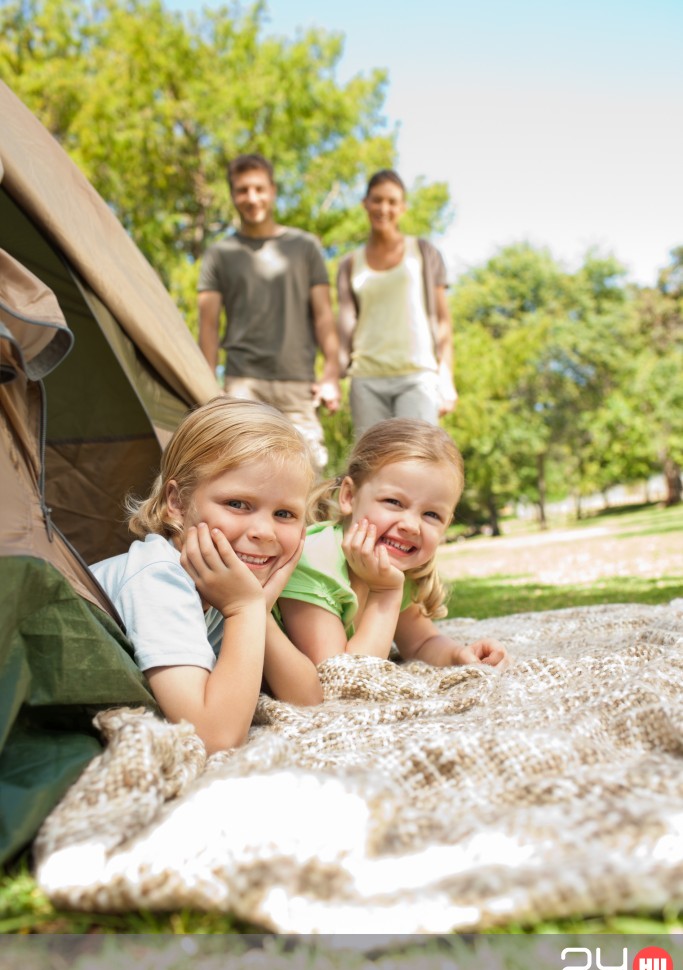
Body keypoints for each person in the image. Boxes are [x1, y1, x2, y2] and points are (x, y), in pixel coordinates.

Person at [91, 397, 323, 754]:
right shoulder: (159, 576)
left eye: (285, 514)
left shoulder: (226, 586)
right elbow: (214, 737)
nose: (264, 531)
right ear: (178, 503)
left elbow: (308, 702)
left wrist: (257, 610)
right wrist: (245, 609)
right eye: (237, 504)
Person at [277, 419, 509, 669]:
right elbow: (342, 676)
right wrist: (385, 592)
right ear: (349, 496)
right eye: (393, 502)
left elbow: (421, 642)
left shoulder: (396, 563)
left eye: (431, 515)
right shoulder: (313, 561)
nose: (411, 525)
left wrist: (459, 655)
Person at [197, 153, 341, 471]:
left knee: (308, 478)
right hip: (242, 384)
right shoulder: (220, 254)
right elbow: (208, 325)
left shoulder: (305, 248)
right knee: (239, 476)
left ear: (273, 190)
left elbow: (324, 316)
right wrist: (208, 386)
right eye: (243, 190)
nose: (252, 198)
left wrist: (331, 373)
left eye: (259, 189)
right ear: (233, 195)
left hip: (298, 385)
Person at [336, 169, 458, 437]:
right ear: (365, 204)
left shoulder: (424, 252)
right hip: (366, 377)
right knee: (370, 465)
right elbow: (345, 324)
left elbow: (443, 320)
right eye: (377, 200)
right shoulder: (349, 263)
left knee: (417, 457)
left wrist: (446, 378)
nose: (384, 208)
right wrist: (333, 376)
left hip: (417, 376)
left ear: (403, 207)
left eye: (392, 202)